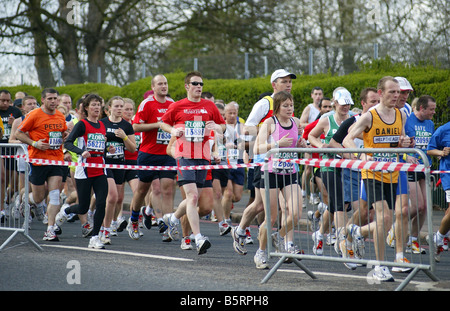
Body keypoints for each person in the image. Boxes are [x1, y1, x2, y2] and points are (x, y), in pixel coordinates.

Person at [343, 76, 412, 282]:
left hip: (390, 172)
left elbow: (399, 142)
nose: (396, 96)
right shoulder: (369, 116)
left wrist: (405, 142)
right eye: (392, 92)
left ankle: (357, 232)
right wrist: (360, 154)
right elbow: (348, 138)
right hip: (372, 173)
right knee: (383, 218)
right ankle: (381, 266)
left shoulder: (401, 114)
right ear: (380, 93)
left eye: (398, 92)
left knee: (387, 220)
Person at [231, 69, 296, 258]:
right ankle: (244, 231)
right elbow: (248, 127)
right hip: (264, 160)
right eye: (284, 81)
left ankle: (283, 241)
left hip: (283, 162)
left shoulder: (287, 105)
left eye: (290, 81)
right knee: (261, 205)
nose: (288, 84)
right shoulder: (265, 103)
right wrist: (251, 147)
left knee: (276, 206)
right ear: (274, 84)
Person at [160, 71, 226, 255]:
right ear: (187, 86)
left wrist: (217, 127)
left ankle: (172, 219)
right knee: (193, 197)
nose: (199, 87)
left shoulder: (209, 106)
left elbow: (223, 125)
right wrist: (173, 130)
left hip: (202, 156)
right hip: (184, 155)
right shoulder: (178, 106)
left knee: (197, 199)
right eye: (195, 83)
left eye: (201, 84)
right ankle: (198, 238)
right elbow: (162, 123)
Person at [253, 90, 306, 269]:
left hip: (290, 171)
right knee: (271, 217)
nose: (290, 109)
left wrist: (301, 144)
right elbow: (257, 149)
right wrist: (276, 145)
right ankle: (261, 252)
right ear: (277, 107)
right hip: (271, 172)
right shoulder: (269, 122)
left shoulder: (296, 122)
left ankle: (278, 235)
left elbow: (299, 143)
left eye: (291, 105)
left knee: (297, 213)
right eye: (285, 106)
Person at [57, 93, 114, 249]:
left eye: (98, 104)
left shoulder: (102, 125)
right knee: (83, 207)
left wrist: (108, 148)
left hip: (100, 169)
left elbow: (101, 145)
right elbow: (68, 143)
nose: (96, 107)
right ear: (87, 108)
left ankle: (95, 237)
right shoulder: (82, 124)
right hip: (84, 169)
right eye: (93, 105)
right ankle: (65, 212)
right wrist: (81, 151)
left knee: (102, 202)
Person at [127, 74, 177, 240]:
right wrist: (158, 124)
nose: (164, 86)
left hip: (167, 153)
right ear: (153, 87)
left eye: (165, 83)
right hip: (148, 154)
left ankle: (167, 227)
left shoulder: (172, 104)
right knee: (142, 190)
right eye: (160, 84)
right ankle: (134, 219)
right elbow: (135, 126)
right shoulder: (147, 104)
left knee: (168, 189)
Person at [308, 87, 354, 265]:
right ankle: (343, 245)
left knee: (336, 205)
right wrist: (321, 146)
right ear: (335, 103)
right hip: (329, 166)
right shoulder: (327, 119)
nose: (345, 107)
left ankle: (319, 233)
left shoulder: (353, 118)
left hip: (348, 166)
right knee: (339, 203)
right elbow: (311, 136)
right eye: (342, 104)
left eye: (348, 104)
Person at [15, 88, 68, 241]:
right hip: (38, 160)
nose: (53, 102)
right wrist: (34, 143)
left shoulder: (60, 115)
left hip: (56, 159)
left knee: (55, 195)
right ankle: (26, 201)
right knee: (38, 198)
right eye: (50, 99)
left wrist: (64, 137)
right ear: (43, 100)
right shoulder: (35, 115)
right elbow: (19, 133)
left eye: (55, 99)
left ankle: (50, 229)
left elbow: (61, 134)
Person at [100, 96, 136, 244]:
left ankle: (109, 224)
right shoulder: (102, 123)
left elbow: (133, 149)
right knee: (113, 196)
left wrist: (124, 137)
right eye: (117, 106)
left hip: (120, 164)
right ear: (109, 108)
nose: (120, 109)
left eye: (122, 106)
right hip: (105, 164)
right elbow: (93, 145)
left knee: (118, 199)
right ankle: (105, 230)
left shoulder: (126, 126)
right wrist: (105, 144)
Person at [8, 96, 38, 219]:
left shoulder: (39, 119)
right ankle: (21, 206)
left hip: (37, 157)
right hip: (23, 157)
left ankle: (30, 206)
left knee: (37, 185)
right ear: (23, 107)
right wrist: (24, 142)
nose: (33, 106)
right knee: (24, 186)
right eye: (29, 104)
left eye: (35, 103)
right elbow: (11, 140)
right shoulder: (18, 121)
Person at [427, 119, 450, 262]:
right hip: (448, 174)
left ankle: (439, 237)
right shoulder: (444, 129)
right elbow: (429, 150)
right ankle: (439, 237)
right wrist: (442, 152)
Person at [0, 89, 23, 220]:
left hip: (13, 150)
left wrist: (13, 125)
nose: (6, 103)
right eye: (3, 100)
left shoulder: (16, 112)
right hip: (1, 148)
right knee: (2, 178)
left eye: (8, 101)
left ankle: (7, 202)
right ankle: (1, 208)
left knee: (13, 184)